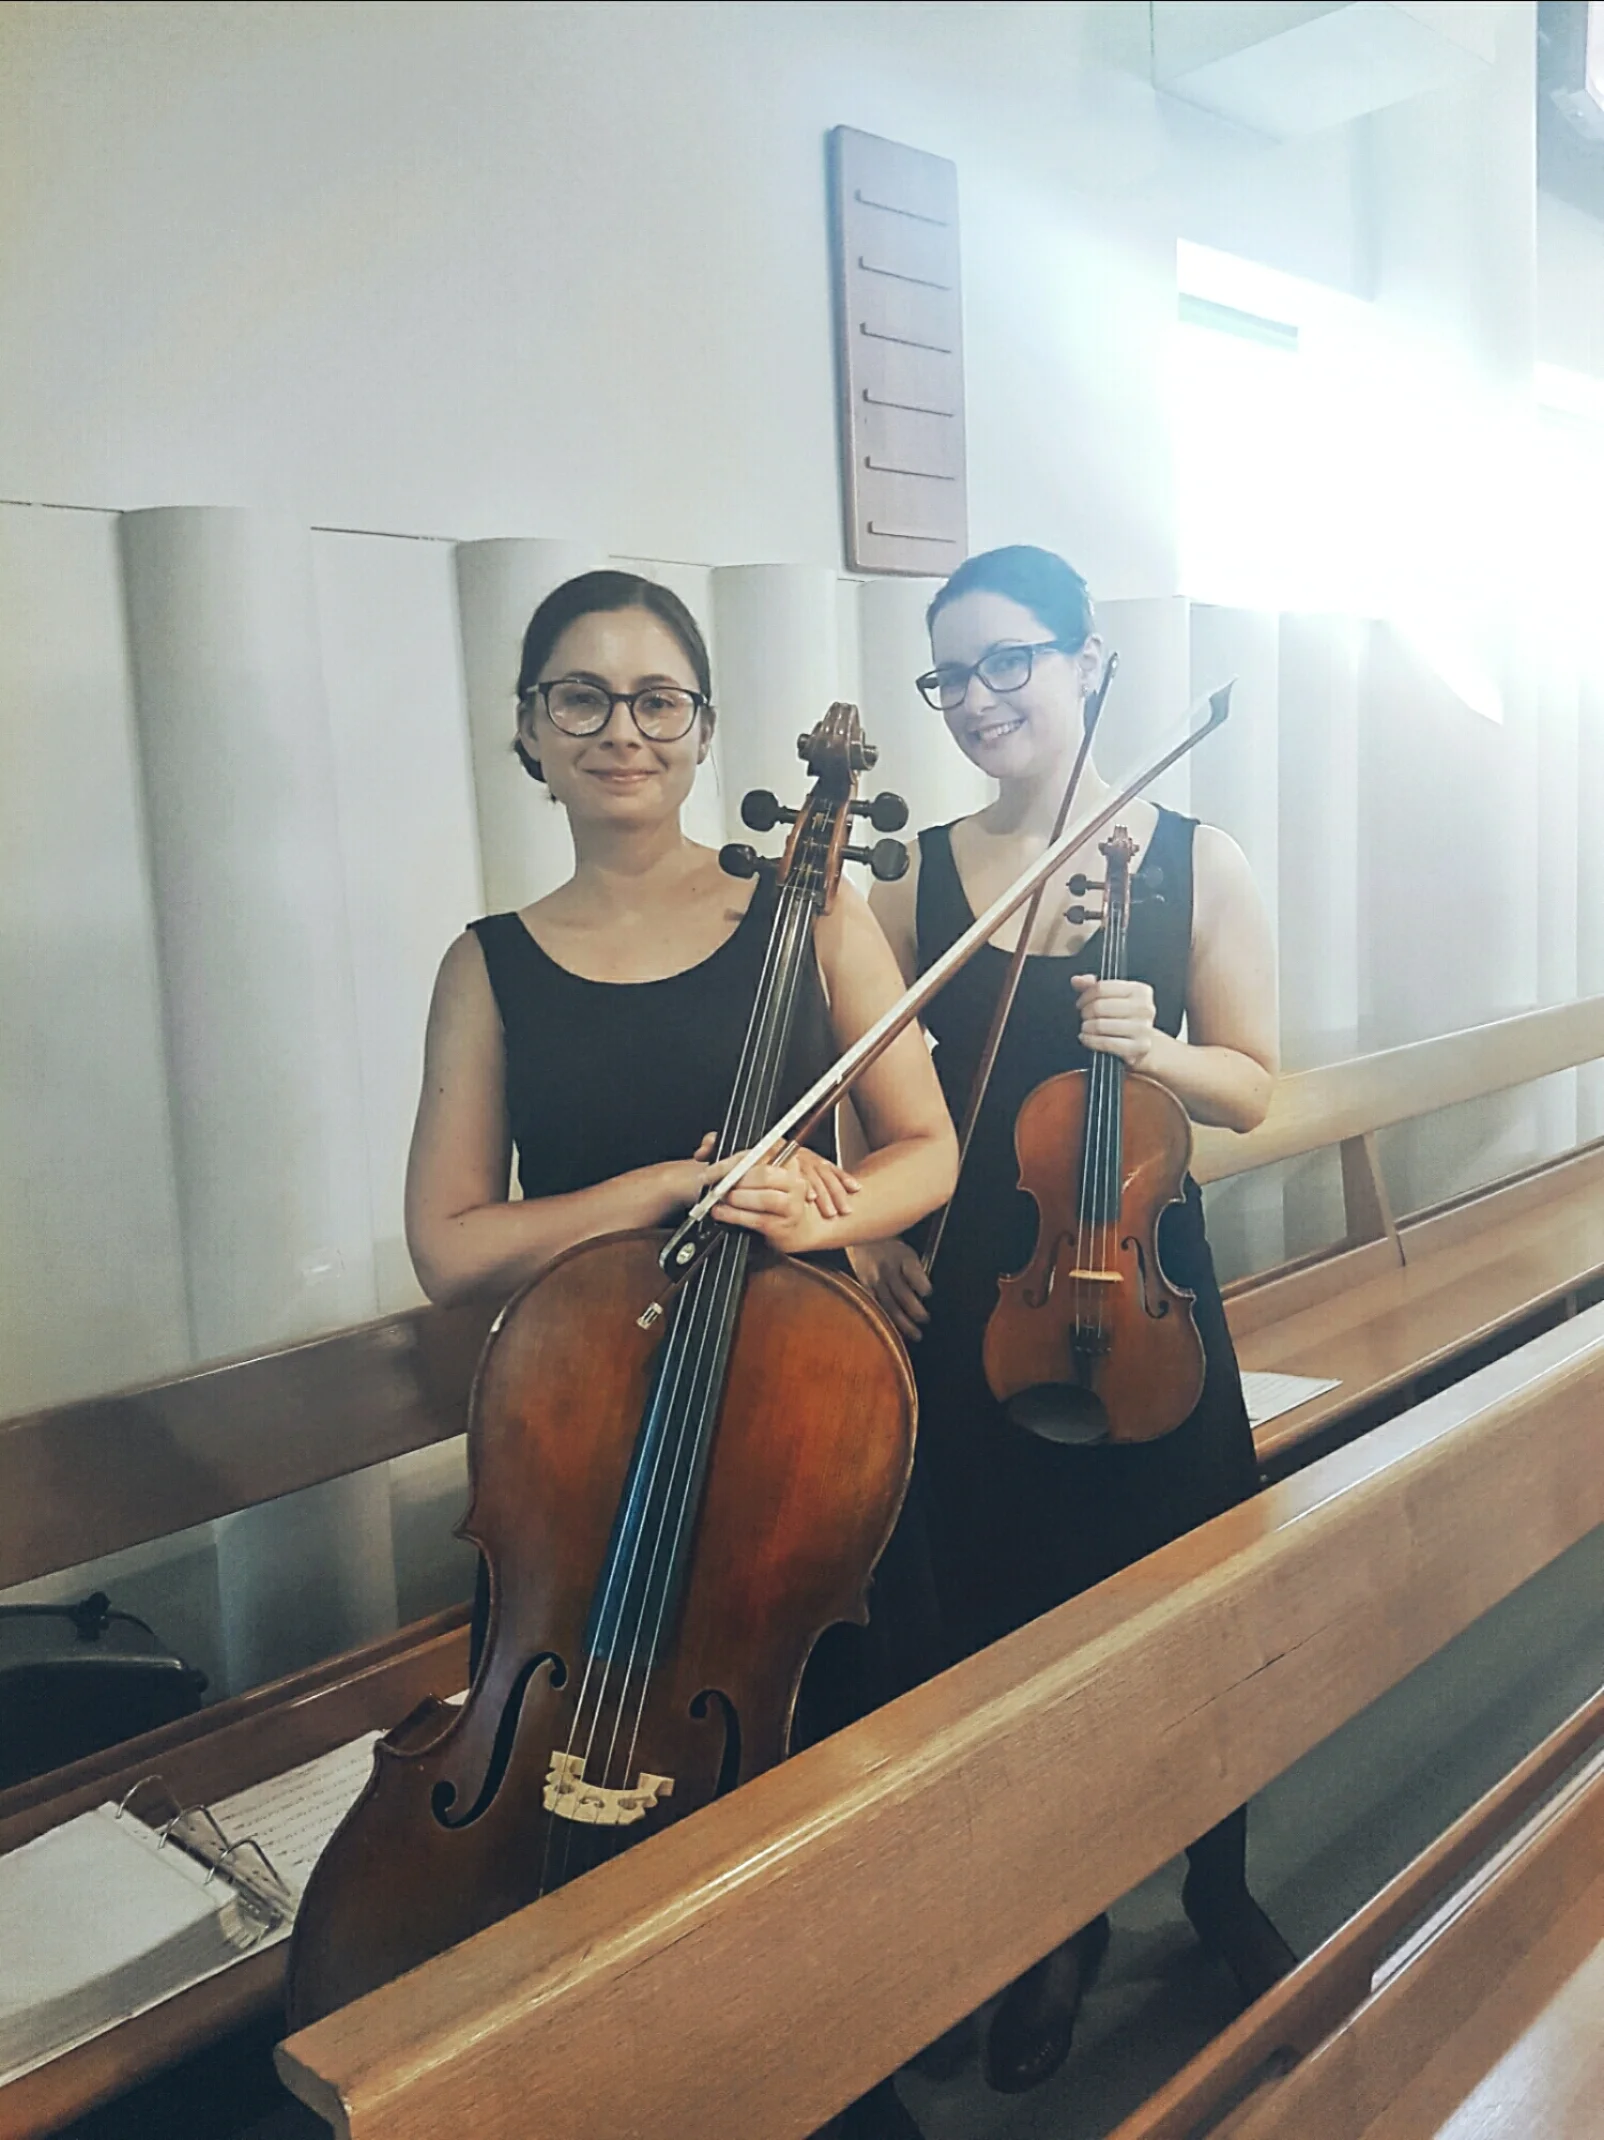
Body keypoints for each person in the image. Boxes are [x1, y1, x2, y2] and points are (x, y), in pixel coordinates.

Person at [849, 544, 1295, 2100]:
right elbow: (867, 1113)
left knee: (1192, 1611)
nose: (977, 701)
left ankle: (1215, 1883)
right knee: (990, 1624)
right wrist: (867, 1247)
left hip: (1152, 1307)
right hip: (975, 1320)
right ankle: (1048, 1926)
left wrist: (1160, 1047)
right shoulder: (915, 879)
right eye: (950, 675)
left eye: (1008, 663)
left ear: (1088, 660)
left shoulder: (1194, 860)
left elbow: (1255, 1083)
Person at [403, 569, 957, 1689]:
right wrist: (660, 1187)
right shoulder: (483, 965)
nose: (623, 731)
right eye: (581, 698)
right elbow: (450, 1249)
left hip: (797, 1428)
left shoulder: (813, 913)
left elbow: (927, 1149)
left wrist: (812, 1213)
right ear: (529, 727)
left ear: (702, 734)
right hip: (579, 1440)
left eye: (658, 701)